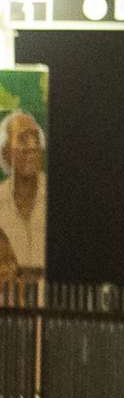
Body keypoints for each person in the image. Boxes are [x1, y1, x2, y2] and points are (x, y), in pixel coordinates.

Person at [0, 108, 43, 285]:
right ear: (5, 153)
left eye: (36, 139)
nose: (32, 146)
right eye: (23, 139)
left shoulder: (59, 202)